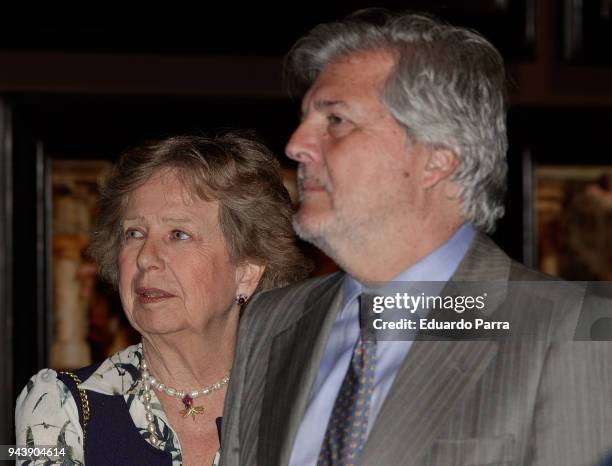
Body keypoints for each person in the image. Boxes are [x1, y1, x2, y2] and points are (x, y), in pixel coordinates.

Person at [220, 10, 612, 466]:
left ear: (436, 160)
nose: (295, 144)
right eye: (306, 118)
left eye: (336, 121)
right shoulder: (271, 322)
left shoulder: (572, 333)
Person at [15, 132, 311, 466]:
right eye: (134, 234)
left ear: (247, 271)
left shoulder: (304, 400)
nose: (145, 258)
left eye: (178, 234)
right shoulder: (57, 403)